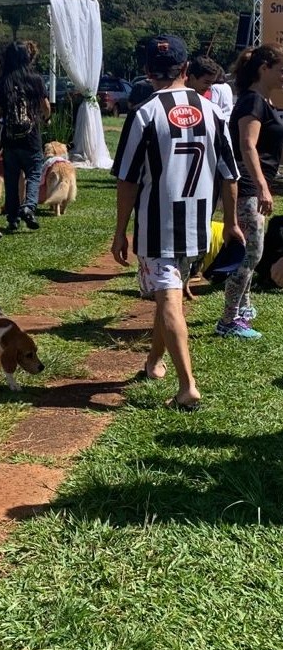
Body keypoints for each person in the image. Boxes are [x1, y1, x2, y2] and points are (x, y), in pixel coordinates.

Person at [112, 34, 243, 411]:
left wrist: (121, 230)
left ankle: (188, 387)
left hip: (158, 227)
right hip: (198, 226)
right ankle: (154, 362)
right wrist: (230, 223)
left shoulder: (145, 113)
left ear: (146, 72)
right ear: (186, 69)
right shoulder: (214, 112)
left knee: (168, 298)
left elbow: (128, 180)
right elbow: (229, 175)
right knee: (167, 296)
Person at [214, 44, 283, 338]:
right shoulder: (253, 102)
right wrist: (263, 187)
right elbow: (247, 146)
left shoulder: (261, 101)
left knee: (253, 251)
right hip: (246, 188)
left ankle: (242, 309)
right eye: (281, 69)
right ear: (263, 68)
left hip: (252, 187)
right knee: (250, 254)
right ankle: (228, 321)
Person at [0, 40, 51, 231]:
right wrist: (44, 118)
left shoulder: (3, 81)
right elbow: (46, 107)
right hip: (31, 137)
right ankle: (29, 207)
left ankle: (13, 217)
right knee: (33, 173)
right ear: (26, 58)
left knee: (11, 177)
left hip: (10, 138)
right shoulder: (35, 79)